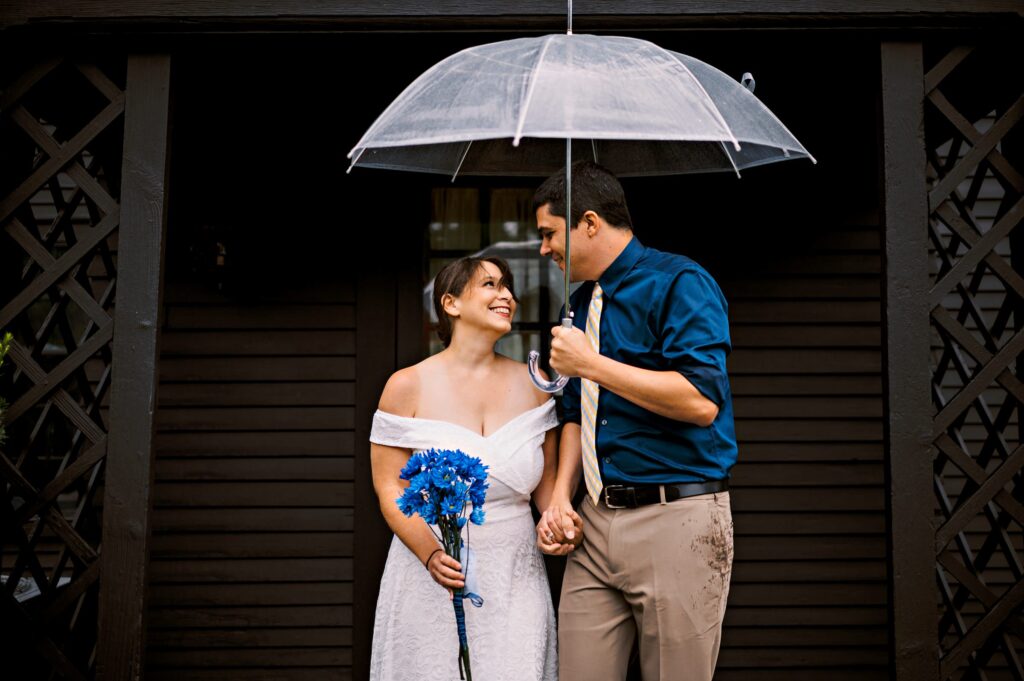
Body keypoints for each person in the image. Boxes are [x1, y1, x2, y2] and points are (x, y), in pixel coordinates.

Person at [535, 162, 737, 681]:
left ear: (589, 223)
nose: (544, 250)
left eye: (549, 234)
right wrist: (560, 498)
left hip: (676, 517)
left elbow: (700, 402)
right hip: (595, 523)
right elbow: (577, 409)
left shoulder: (681, 283)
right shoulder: (579, 305)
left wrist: (591, 364)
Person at [368, 256, 581, 681]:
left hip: (515, 577)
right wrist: (430, 554)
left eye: (508, 288)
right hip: (430, 572)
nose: (506, 296)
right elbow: (389, 485)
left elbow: (546, 491)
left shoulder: (537, 385)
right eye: (490, 285)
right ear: (450, 303)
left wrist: (558, 525)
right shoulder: (406, 385)